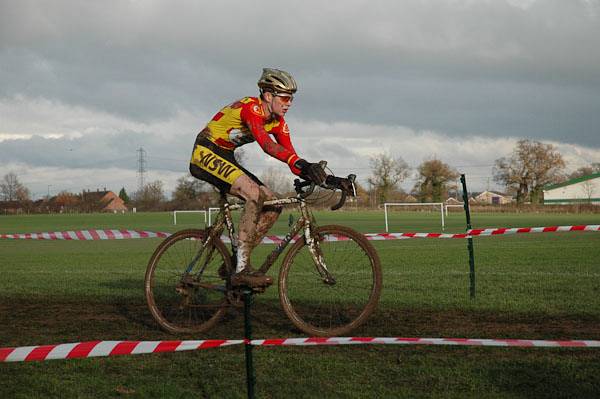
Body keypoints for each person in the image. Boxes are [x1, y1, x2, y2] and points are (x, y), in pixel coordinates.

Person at [189, 68, 327, 287]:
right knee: (254, 194)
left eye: (291, 99)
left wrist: (328, 178)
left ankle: (235, 263)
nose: (289, 103)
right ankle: (242, 268)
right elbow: (266, 145)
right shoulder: (251, 108)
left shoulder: (278, 123)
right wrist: (300, 163)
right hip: (205, 151)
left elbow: (292, 158)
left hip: (225, 156)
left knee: (272, 203)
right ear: (268, 96)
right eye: (284, 98)